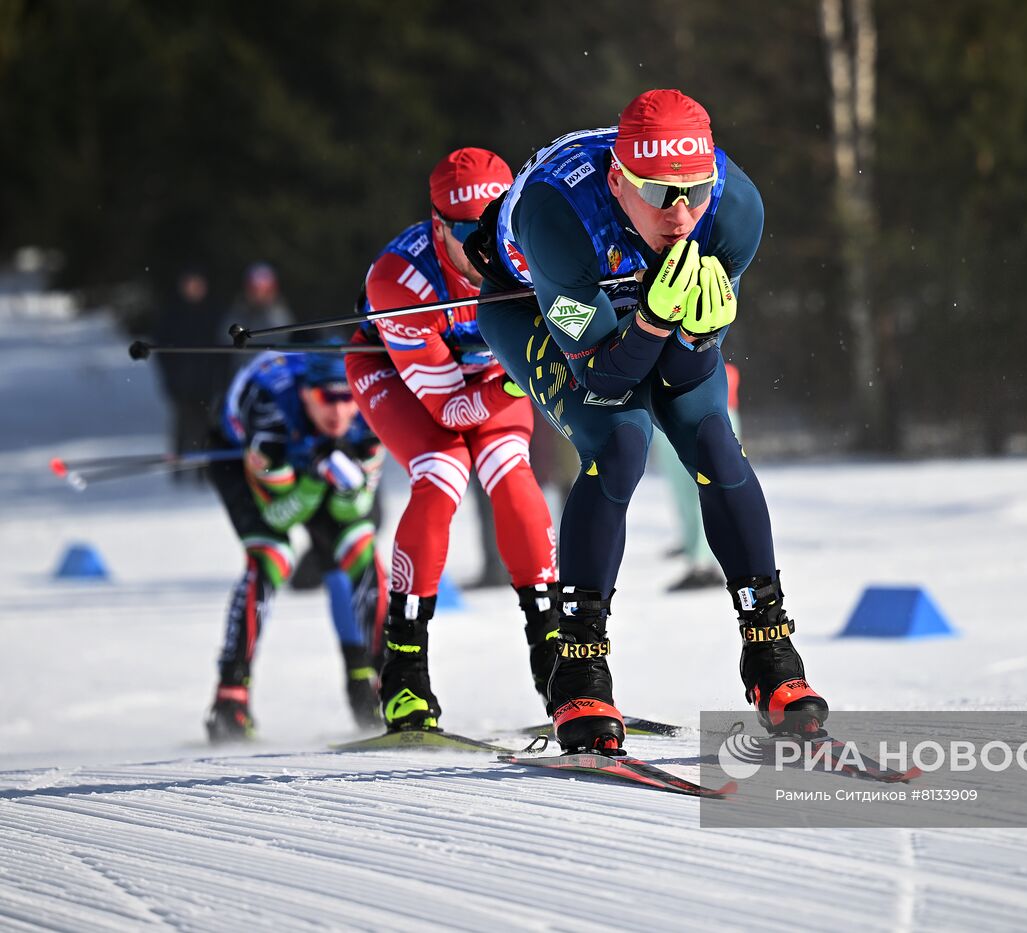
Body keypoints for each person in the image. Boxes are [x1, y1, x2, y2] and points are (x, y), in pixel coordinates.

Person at [467, 89, 828, 752]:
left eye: (695, 190)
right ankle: (579, 665)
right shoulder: (560, 215)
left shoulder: (734, 210)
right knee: (620, 442)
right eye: (661, 194)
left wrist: (695, 338)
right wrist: (658, 321)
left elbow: (684, 383)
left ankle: (771, 655)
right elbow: (603, 379)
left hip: (636, 302)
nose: (682, 213)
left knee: (715, 443)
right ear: (617, 182)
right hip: (534, 302)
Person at [344, 147, 561, 732]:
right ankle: (404, 673)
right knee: (441, 475)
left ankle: (556, 660)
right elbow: (452, 409)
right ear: (439, 225)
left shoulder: (537, 241)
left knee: (510, 470)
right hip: (399, 375)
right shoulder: (400, 279)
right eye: (468, 233)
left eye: (499, 224)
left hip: (491, 375)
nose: (485, 245)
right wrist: (526, 378)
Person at [205, 351, 388, 742]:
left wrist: (346, 480)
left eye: (346, 398)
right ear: (306, 394)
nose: (339, 412)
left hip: (309, 468)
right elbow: (279, 516)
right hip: (238, 457)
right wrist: (313, 476)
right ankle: (230, 698)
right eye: (327, 398)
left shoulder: (371, 413)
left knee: (358, 549)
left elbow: (355, 508)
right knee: (271, 558)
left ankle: (380, 684)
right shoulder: (270, 415)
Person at [652, 361, 741, 591]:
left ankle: (704, 563)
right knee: (684, 492)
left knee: (701, 491)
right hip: (671, 413)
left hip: (697, 412)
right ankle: (696, 550)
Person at [153, 266, 223, 482]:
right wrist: (172, 378)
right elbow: (162, 350)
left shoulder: (213, 314)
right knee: (182, 427)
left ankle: (204, 472)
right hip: (181, 383)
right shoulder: (173, 315)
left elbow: (220, 351)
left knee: (206, 428)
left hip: (206, 383)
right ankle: (179, 472)